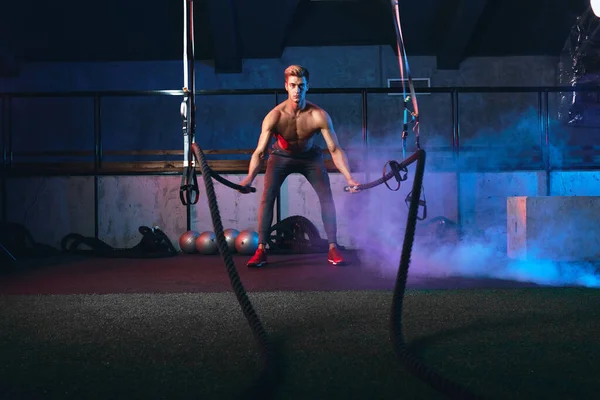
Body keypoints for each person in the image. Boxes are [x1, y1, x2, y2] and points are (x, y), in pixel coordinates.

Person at [239, 65, 360, 267]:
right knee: (267, 197)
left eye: (301, 86)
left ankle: (332, 248)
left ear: (307, 87)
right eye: (293, 85)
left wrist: (349, 178)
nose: (297, 90)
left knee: (326, 197)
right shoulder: (275, 116)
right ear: (286, 86)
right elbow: (260, 151)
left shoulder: (318, 115)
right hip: (280, 157)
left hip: (310, 158)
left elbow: (335, 150)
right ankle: (261, 250)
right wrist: (249, 178)